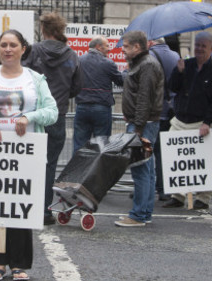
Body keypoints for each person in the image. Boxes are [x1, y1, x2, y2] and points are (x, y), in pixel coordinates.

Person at [0, 29, 58, 281]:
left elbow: (52, 111)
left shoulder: (35, 79)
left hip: (25, 154)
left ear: (23, 49)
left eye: (13, 45)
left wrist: (30, 117)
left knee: (19, 207)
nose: (7, 49)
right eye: (3, 45)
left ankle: (19, 264)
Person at [22, 12, 81, 225]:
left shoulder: (33, 51)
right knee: (49, 165)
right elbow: (77, 87)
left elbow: (21, 79)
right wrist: (61, 96)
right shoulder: (72, 55)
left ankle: (24, 205)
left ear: (44, 30)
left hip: (32, 115)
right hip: (57, 114)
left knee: (26, 162)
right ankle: (44, 211)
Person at [163, 31, 212, 210]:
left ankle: (203, 198)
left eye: (203, 46)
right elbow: (172, 87)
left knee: (202, 162)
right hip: (181, 119)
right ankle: (177, 195)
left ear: (211, 49)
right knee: (176, 159)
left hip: (201, 123)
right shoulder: (186, 65)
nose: (199, 49)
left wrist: (208, 121)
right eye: (197, 45)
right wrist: (179, 71)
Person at [114, 31, 163, 227]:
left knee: (140, 169)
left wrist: (138, 128)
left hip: (143, 124)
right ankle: (144, 212)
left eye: (126, 46)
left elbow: (144, 98)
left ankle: (138, 215)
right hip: (142, 122)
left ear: (137, 47)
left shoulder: (148, 65)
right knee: (146, 169)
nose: (123, 50)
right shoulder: (142, 64)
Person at [72, 36, 123, 153]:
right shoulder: (108, 63)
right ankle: (97, 171)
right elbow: (121, 81)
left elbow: (72, 81)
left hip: (82, 107)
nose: (109, 49)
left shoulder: (79, 60)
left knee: (79, 145)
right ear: (98, 47)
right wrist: (126, 72)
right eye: (107, 46)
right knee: (101, 146)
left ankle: (78, 170)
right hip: (102, 109)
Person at [148, 37, 180, 201]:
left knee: (148, 152)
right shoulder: (176, 56)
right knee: (165, 152)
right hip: (171, 110)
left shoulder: (149, 57)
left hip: (154, 111)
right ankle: (165, 188)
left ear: (152, 42)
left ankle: (152, 188)